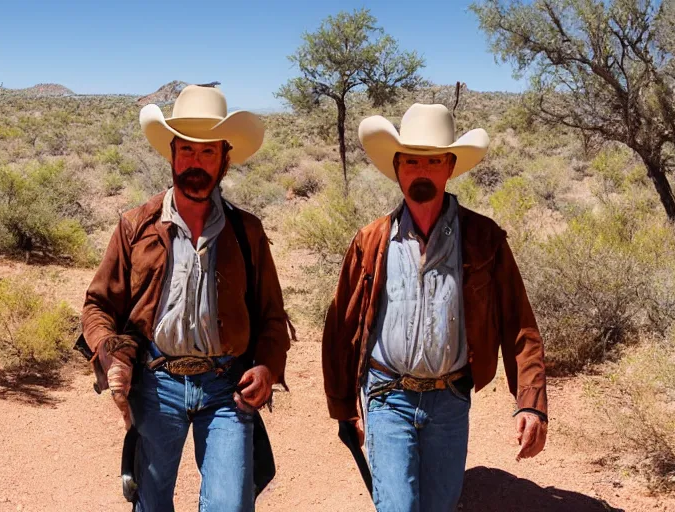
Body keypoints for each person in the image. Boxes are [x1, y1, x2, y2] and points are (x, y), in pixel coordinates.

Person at [321, 103, 549, 511]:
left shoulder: (484, 238)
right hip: (388, 395)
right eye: (410, 161)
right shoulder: (371, 240)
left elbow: (519, 324)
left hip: (450, 400)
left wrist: (530, 401)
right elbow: (342, 326)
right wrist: (343, 407)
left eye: (432, 161)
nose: (420, 171)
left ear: (449, 167)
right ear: (397, 168)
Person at [81, 83, 294, 511]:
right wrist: (111, 354)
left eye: (207, 152)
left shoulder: (246, 232)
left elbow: (272, 316)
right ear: (172, 154)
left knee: (230, 504)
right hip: (156, 382)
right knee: (152, 503)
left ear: (225, 160)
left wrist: (268, 367)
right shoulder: (135, 227)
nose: (195, 163)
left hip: (225, 386)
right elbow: (98, 305)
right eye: (186, 151)